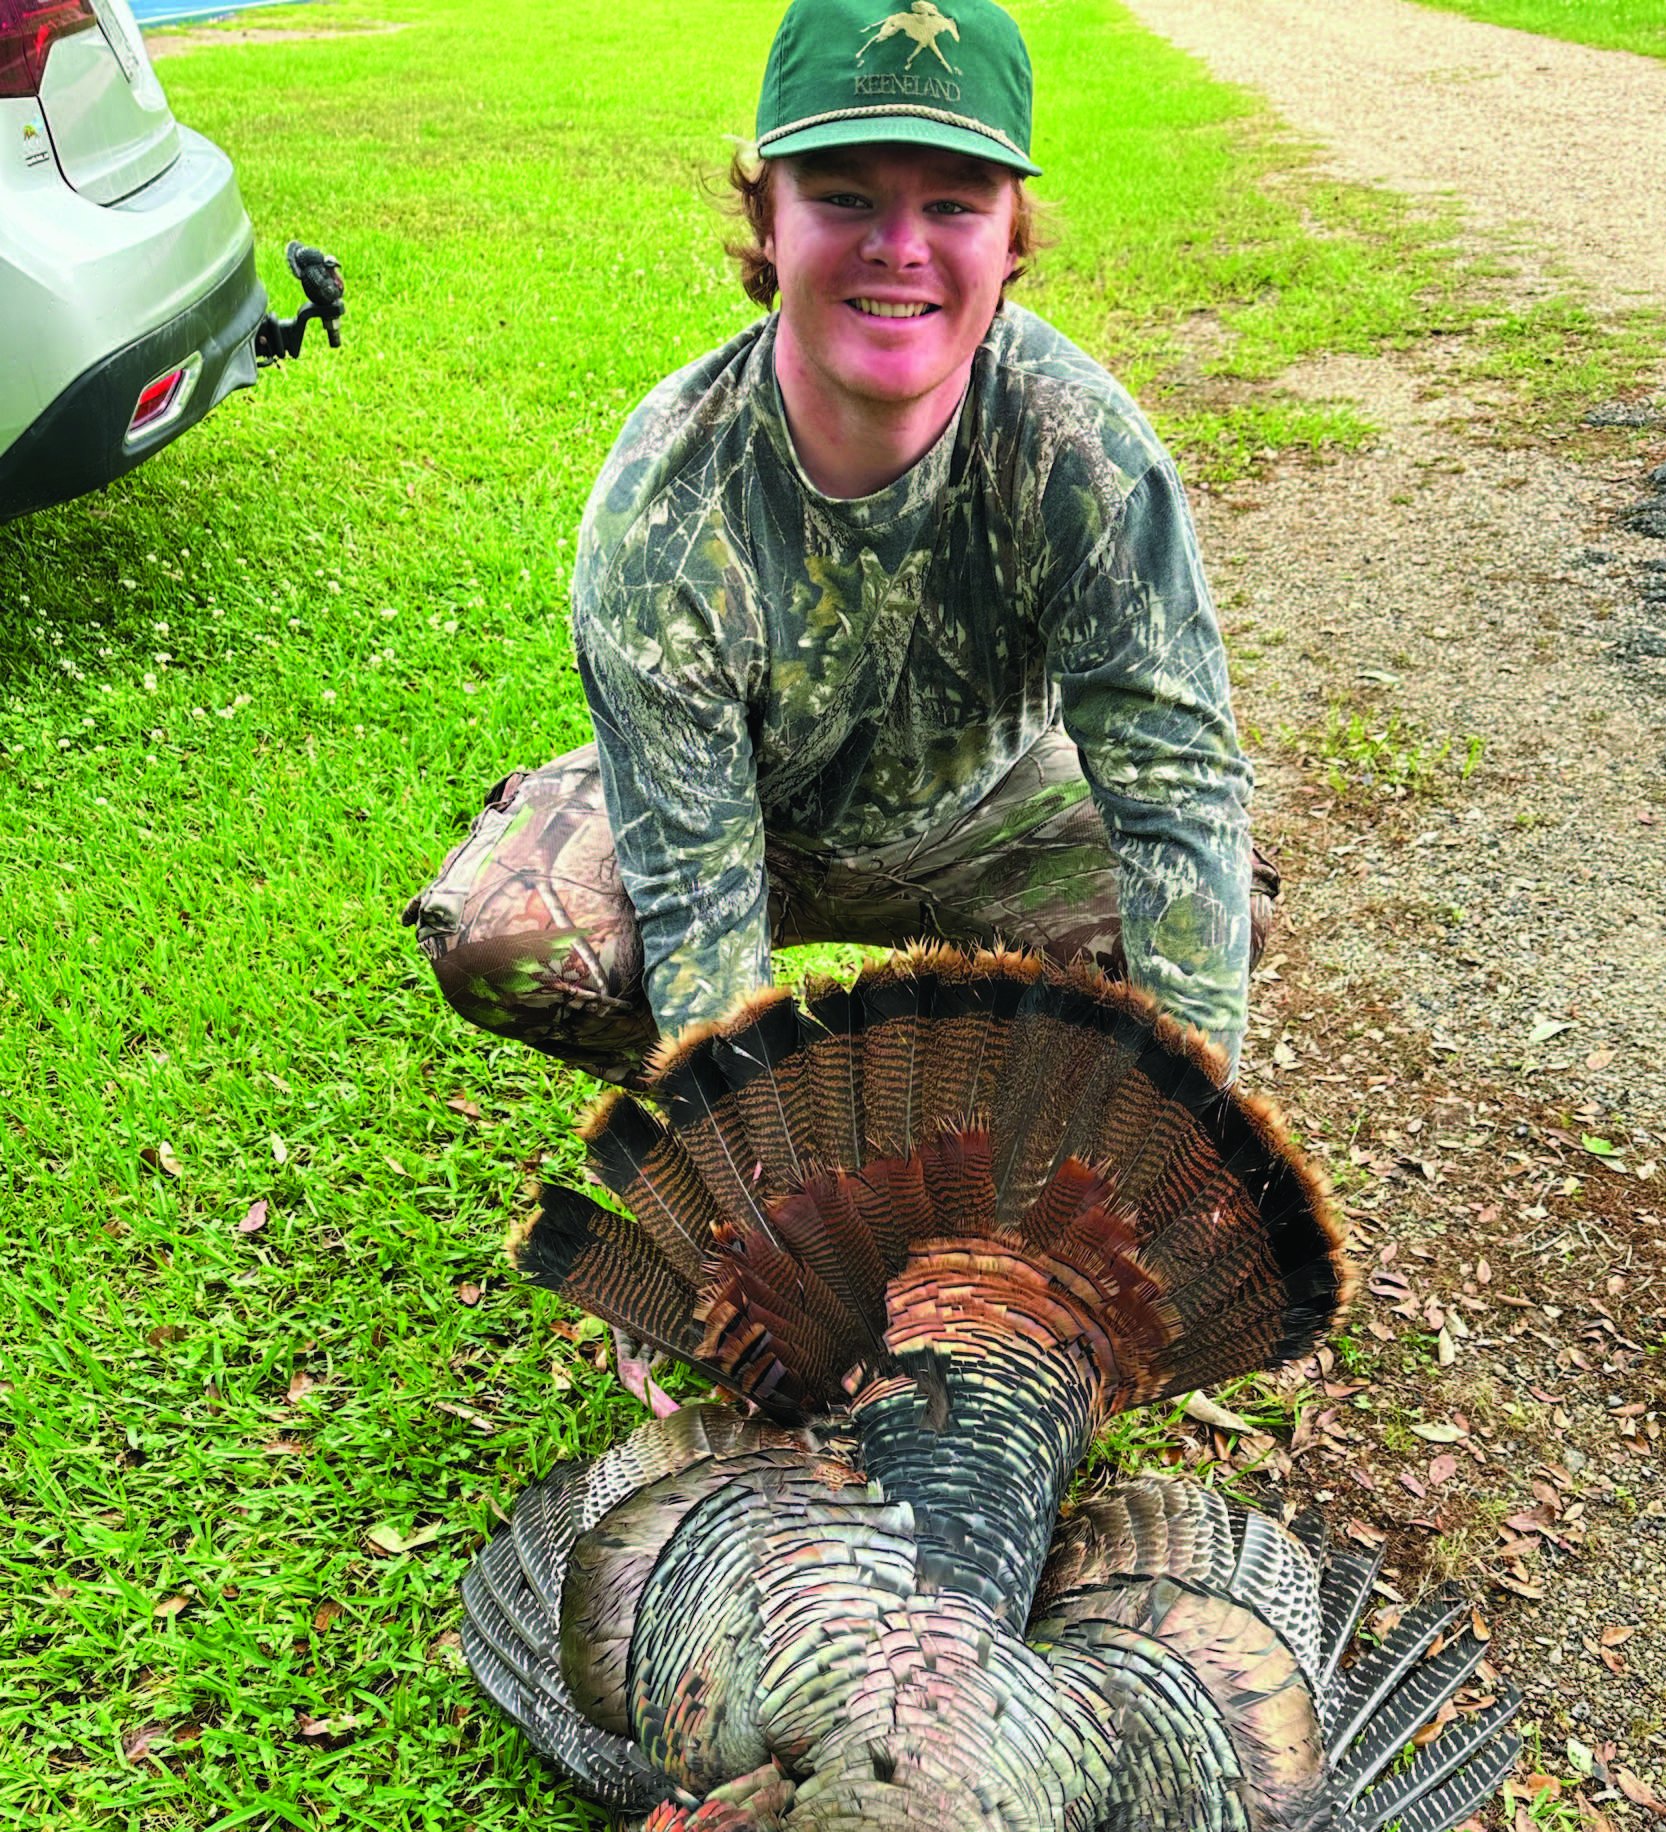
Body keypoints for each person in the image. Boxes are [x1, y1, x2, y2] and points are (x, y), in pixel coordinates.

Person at [404, 0, 1275, 1096]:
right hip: (739, 824)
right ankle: (812, 1129)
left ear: (1011, 238)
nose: (899, 247)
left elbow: (1179, 794)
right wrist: (782, 1179)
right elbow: (693, 895)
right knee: (514, 940)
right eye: (843, 195)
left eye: (953, 203)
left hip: (984, 807)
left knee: (1211, 911)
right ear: (769, 218)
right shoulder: (667, 502)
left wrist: (1170, 1146)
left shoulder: (1083, 455)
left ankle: (1011, 1137)